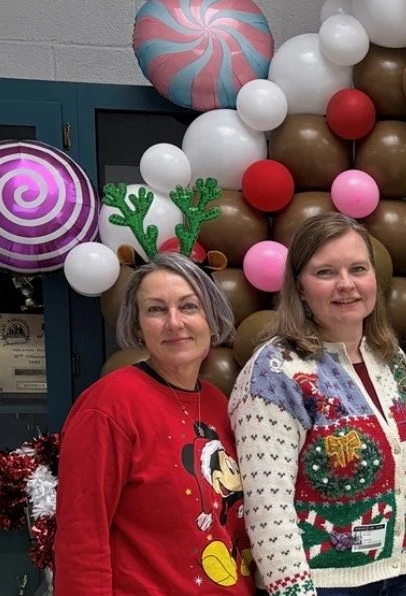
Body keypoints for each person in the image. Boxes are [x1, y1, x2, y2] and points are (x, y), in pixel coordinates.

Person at [229, 212, 406, 596]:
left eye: (358, 268)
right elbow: (266, 507)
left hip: (397, 576)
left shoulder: (390, 360)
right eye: (325, 272)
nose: (346, 285)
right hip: (320, 585)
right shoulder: (275, 372)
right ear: (300, 288)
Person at [55, 252, 254, 594]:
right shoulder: (108, 407)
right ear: (136, 325)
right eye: (156, 309)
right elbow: (81, 536)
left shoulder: (216, 402)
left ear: (211, 316)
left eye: (189, 306)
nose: (174, 323)